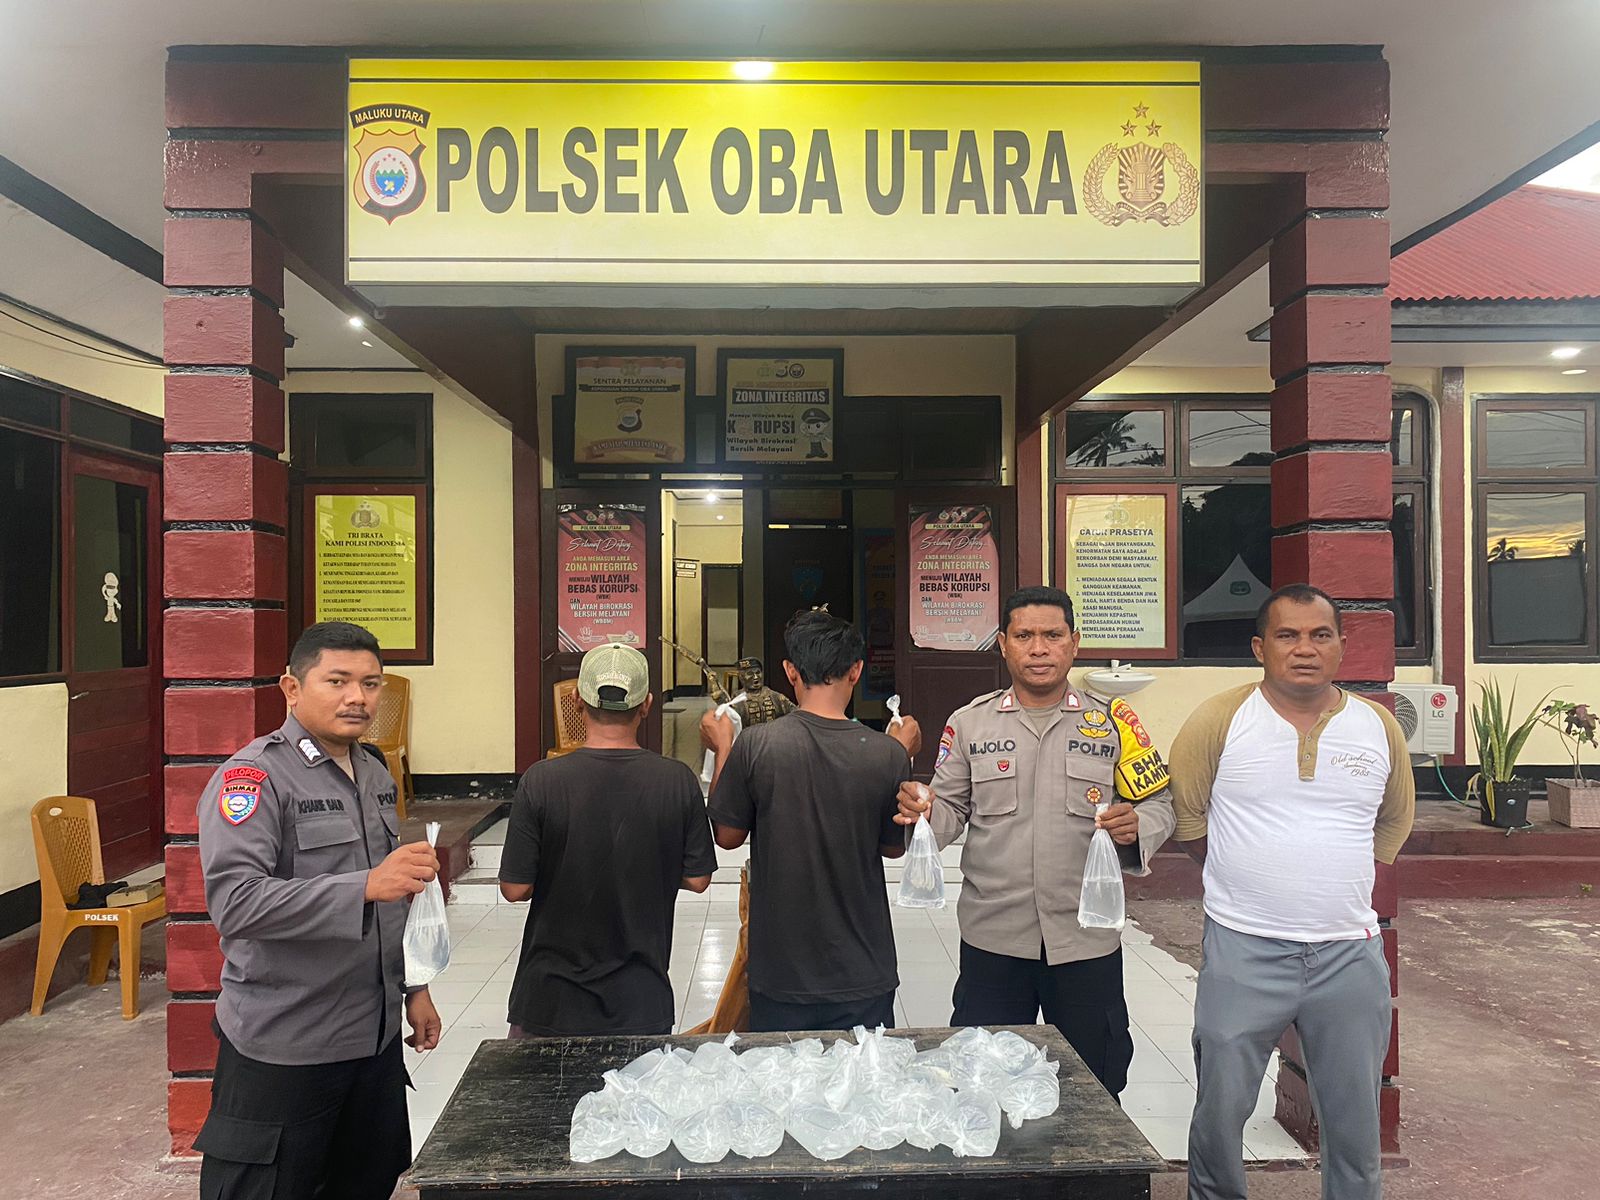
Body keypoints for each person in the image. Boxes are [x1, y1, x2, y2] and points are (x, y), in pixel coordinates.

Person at [1170, 583, 1415, 1200]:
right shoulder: (1221, 719)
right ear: (1260, 647)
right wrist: (1245, 874)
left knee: (1354, 1123)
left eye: (1320, 635)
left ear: (1341, 646)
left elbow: (1394, 821)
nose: (1305, 649)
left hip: (1348, 954)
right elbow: (1189, 817)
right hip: (1244, 948)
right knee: (1220, 1108)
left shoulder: (1377, 727)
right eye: (1288, 635)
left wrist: (1329, 880)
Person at [194, 621, 442, 1200]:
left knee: (368, 1180)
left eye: (371, 684)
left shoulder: (374, 771)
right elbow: (236, 903)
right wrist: (363, 886)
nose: (358, 697)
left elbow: (389, 901)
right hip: (287, 1046)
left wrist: (414, 988)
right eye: (337, 681)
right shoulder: (253, 778)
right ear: (292, 688)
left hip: (371, 1042)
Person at [895, 585, 1175, 1098]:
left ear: (1075, 643)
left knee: (1095, 1083)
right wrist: (925, 814)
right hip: (994, 938)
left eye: (1053, 635)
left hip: (1085, 937)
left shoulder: (1114, 722)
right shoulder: (970, 723)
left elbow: (1160, 802)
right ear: (1003, 644)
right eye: (1024, 636)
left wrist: (1139, 826)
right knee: (984, 1084)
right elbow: (950, 809)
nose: (1039, 648)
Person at [702, 608, 921, 1032]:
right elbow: (893, 847)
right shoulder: (885, 752)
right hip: (864, 967)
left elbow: (726, 836)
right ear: (856, 671)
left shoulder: (757, 744)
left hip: (780, 970)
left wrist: (723, 746)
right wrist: (901, 756)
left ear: (790, 671)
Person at [497, 641, 717, 1036]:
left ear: (578, 701)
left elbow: (515, 888)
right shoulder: (677, 781)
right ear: (646, 705)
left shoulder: (541, 780)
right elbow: (698, 879)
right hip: (640, 997)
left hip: (550, 998)